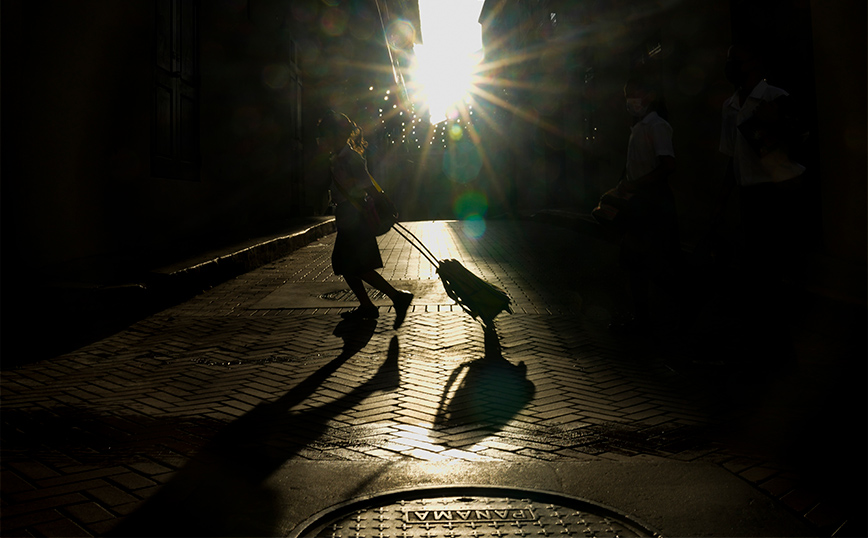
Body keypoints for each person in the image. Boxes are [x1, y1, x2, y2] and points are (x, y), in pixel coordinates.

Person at [316, 111, 413, 328]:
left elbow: (368, 184)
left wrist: (386, 204)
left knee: (352, 265)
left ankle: (395, 297)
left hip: (356, 217)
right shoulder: (338, 158)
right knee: (346, 265)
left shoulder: (350, 158)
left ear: (336, 134)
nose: (323, 140)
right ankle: (373, 304)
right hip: (347, 216)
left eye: (326, 135)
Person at [612, 73, 680, 334]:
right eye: (627, 95)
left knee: (654, 262)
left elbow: (668, 165)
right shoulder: (637, 127)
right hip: (637, 203)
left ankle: (665, 320)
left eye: (635, 93)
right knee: (633, 263)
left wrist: (635, 185)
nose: (630, 100)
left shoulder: (657, 126)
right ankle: (642, 318)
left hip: (653, 204)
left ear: (649, 96)